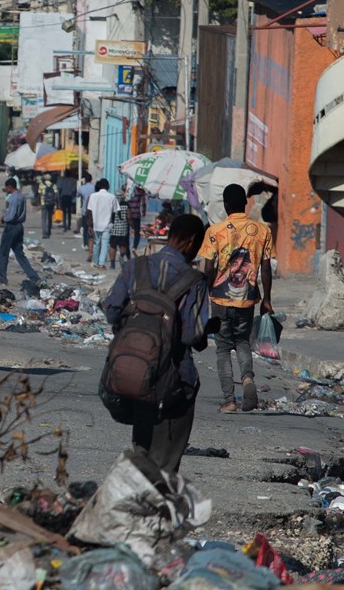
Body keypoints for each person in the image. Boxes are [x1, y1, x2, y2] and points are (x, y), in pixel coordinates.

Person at [102, 213, 213, 474]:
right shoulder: (194, 281)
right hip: (173, 379)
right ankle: (155, 500)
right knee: (165, 462)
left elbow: (111, 311)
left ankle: (137, 492)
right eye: (198, 245)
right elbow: (190, 336)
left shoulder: (135, 267)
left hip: (134, 372)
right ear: (191, 241)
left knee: (142, 446)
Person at [200, 184, 274, 414]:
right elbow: (266, 269)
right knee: (242, 341)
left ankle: (229, 400)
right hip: (247, 299)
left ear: (226, 205)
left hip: (220, 300)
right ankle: (248, 379)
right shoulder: (262, 231)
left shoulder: (215, 231)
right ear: (245, 203)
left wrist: (205, 291)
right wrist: (267, 299)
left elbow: (209, 268)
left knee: (222, 348)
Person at [0, 177, 41, 288]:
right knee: (19, 254)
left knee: (3, 253)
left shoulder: (13, 198)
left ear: (10, 187)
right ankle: (34, 276)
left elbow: (11, 215)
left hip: (11, 226)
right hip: (19, 227)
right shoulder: (21, 196)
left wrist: (3, 218)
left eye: (7, 188)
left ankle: (2, 278)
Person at [87, 179, 120, 267]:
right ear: (107, 186)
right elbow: (115, 212)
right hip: (107, 224)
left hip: (96, 224)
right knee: (105, 244)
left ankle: (95, 262)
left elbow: (89, 211)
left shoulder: (93, 196)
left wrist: (90, 225)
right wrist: (113, 223)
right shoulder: (112, 197)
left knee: (96, 243)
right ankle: (101, 263)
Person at [108, 192, 132, 269]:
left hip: (114, 229)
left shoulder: (112, 204)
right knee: (123, 246)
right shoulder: (126, 204)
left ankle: (112, 264)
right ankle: (121, 256)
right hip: (123, 229)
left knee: (112, 246)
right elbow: (129, 216)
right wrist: (132, 225)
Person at [77, 173, 96, 248]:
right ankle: (91, 242)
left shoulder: (82, 188)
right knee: (92, 227)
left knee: (85, 228)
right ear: (91, 179)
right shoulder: (94, 187)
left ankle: (85, 243)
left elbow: (77, 195)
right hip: (93, 211)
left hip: (85, 210)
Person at [126, 182, 146, 251]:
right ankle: (135, 246)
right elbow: (143, 203)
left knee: (127, 231)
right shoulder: (141, 191)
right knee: (137, 231)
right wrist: (143, 212)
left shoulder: (128, 189)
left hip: (128, 214)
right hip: (136, 214)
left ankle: (126, 246)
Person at [38, 175, 57, 239]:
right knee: (49, 218)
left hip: (44, 203)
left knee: (43, 218)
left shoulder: (41, 185)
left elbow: (39, 193)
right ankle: (49, 232)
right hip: (51, 203)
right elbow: (56, 194)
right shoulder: (54, 185)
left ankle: (44, 233)